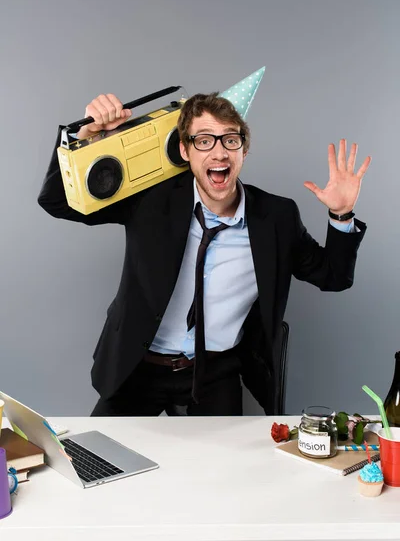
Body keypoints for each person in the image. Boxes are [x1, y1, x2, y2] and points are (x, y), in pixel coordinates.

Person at [38, 91, 371, 416]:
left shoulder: (276, 217)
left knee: (222, 471)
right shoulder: (151, 200)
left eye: (230, 139)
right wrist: (84, 136)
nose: (219, 153)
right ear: (185, 150)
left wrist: (341, 215)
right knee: (97, 463)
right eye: (204, 140)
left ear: (244, 149)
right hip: (137, 368)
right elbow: (56, 201)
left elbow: (334, 277)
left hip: (215, 372)